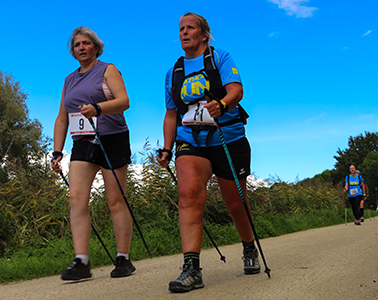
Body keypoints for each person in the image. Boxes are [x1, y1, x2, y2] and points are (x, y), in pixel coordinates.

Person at [156, 12, 260, 293]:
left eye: (191, 28)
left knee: (235, 203)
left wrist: (222, 105)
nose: (184, 32)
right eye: (181, 28)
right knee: (188, 194)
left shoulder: (220, 57)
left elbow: (236, 90)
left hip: (227, 137)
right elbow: (170, 115)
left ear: (204, 35)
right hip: (191, 140)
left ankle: (249, 246)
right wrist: (167, 147)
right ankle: (192, 268)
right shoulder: (174, 73)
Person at [51, 26, 135, 280]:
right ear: (73, 51)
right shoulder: (69, 79)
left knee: (114, 200)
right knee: (76, 198)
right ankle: (82, 262)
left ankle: (123, 258)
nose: (82, 48)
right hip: (84, 141)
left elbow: (124, 101)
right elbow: (62, 118)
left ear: (96, 47)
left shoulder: (107, 69)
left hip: (112, 138)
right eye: (77, 45)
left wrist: (98, 108)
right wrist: (57, 151)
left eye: (86, 43)